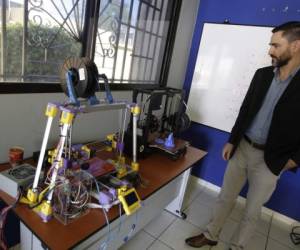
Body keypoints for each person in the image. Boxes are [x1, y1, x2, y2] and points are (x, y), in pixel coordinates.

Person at [185, 21, 300, 250]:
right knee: (225, 197)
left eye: (276, 45)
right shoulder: (262, 75)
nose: (270, 50)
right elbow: (245, 109)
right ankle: (211, 235)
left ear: (295, 46)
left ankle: (238, 246)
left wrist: (294, 160)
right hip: (243, 147)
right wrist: (232, 140)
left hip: (272, 159)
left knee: (252, 210)